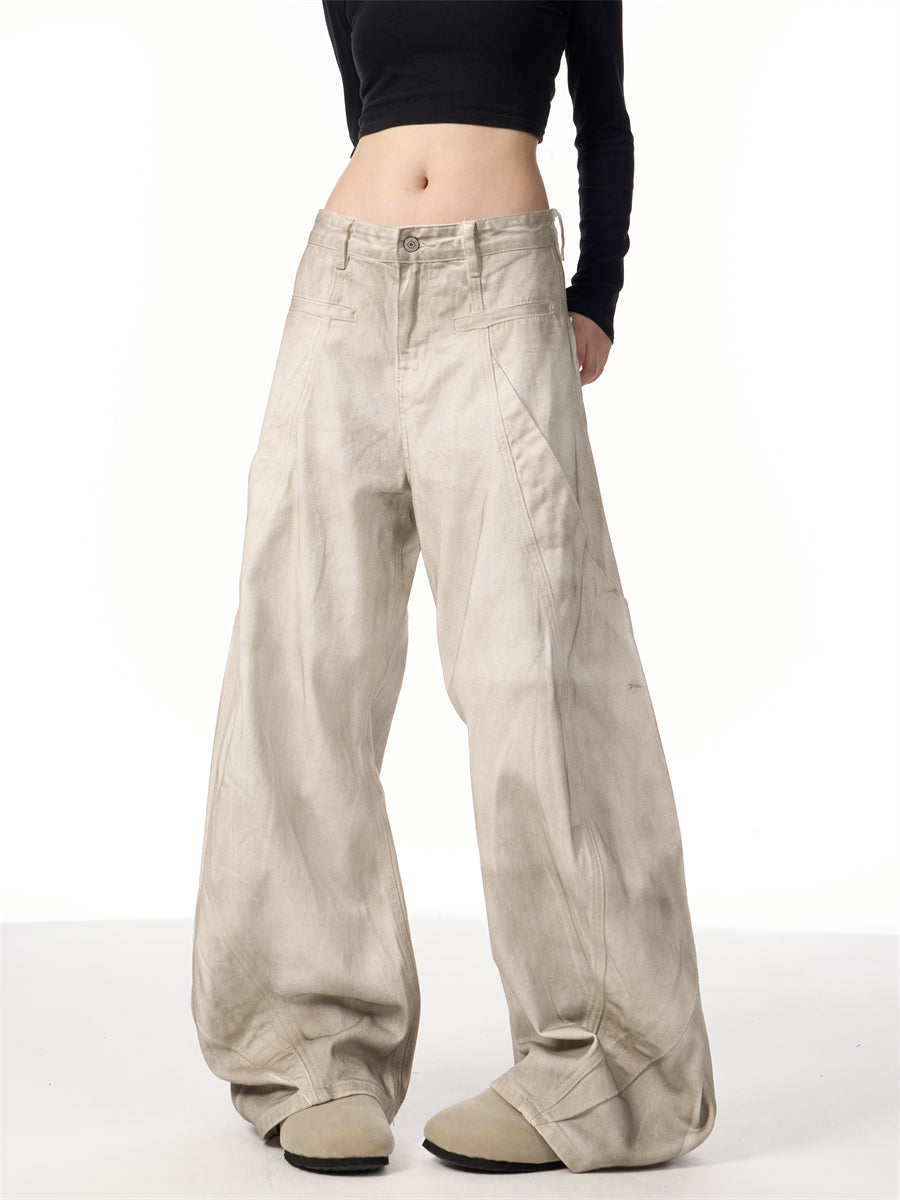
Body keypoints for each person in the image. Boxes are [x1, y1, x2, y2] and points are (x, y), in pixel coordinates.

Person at [190, 0, 718, 1178]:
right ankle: (308, 1050)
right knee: (300, 662)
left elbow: (603, 119)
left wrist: (596, 291)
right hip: (343, 283)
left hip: (500, 284)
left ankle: (605, 1065)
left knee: (536, 670)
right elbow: (366, 109)